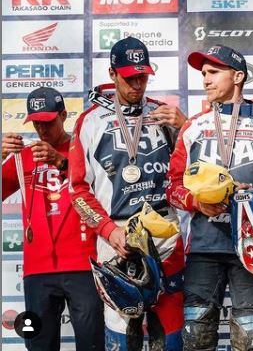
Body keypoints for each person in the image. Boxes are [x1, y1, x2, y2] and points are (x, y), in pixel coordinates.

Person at [166, 44, 253, 351]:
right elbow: (172, 187)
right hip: (204, 246)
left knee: (249, 340)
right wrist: (198, 203)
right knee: (196, 339)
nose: (205, 79)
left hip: (252, 248)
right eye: (203, 73)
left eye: (213, 72)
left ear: (238, 76)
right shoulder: (193, 126)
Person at [69, 37, 187, 350]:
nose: (137, 84)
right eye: (129, 77)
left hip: (164, 233)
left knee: (171, 333)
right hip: (116, 238)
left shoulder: (165, 114)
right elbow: (78, 190)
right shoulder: (89, 122)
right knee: (123, 335)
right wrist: (109, 231)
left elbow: (195, 171)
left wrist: (186, 127)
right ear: (112, 73)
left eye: (142, 77)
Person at [2, 87, 103, 350]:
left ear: (63, 115)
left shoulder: (84, 150)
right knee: (38, 345)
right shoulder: (23, 157)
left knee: (92, 344)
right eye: (36, 123)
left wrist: (60, 161)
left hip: (84, 265)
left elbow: (102, 192)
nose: (42, 129)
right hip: (37, 270)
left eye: (48, 122)